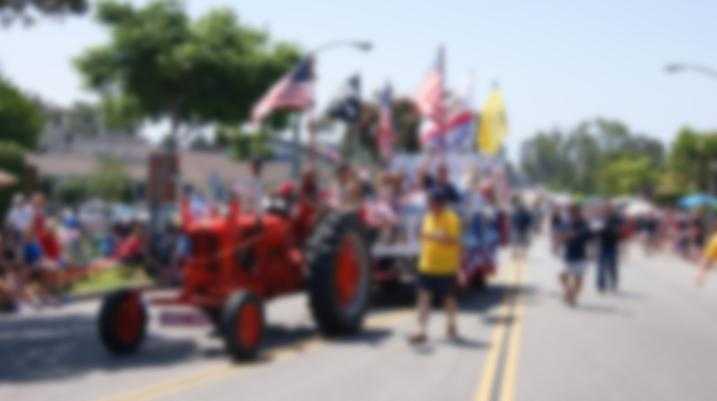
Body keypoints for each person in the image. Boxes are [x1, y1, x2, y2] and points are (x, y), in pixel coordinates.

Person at [409, 189, 463, 344]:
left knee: (449, 299)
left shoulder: (451, 218)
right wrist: (428, 237)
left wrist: (432, 236)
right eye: (429, 203)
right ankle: (421, 330)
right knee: (423, 298)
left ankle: (451, 325)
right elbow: (424, 237)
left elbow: (453, 240)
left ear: (441, 204)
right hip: (426, 266)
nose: (430, 206)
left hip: (446, 268)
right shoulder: (427, 217)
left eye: (432, 203)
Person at [559, 203, 591, 306]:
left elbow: (587, 236)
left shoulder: (584, 223)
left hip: (581, 254)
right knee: (562, 275)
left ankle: (573, 297)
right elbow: (562, 235)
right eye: (570, 212)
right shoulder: (567, 223)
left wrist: (572, 235)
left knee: (579, 278)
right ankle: (569, 291)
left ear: (578, 212)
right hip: (568, 253)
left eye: (573, 212)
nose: (571, 214)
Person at [596, 202, 623, 293]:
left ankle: (613, 283)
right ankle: (601, 285)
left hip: (612, 245)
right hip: (602, 245)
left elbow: (619, 231)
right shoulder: (600, 218)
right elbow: (595, 231)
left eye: (609, 208)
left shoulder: (616, 219)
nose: (607, 210)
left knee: (612, 267)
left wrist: (610, 229)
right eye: (605, 208)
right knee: (601, 267)